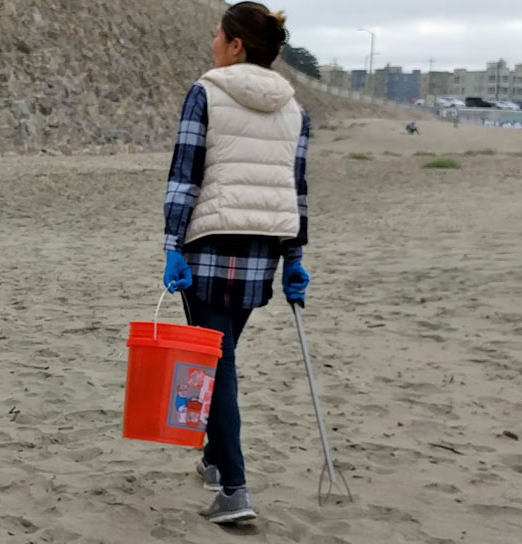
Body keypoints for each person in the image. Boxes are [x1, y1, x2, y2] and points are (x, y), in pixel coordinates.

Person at [160, 1, 309, 525]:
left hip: (210, 245)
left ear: (237, 44)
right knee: (221, 358)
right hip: (262, 253)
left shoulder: (207, 94)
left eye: (217, 35)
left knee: (215, 364)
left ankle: (235, 488)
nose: (212, 43)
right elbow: (297, 191)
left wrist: (171, 245)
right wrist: (293, 258)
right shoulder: (294, 110)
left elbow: (185, 174)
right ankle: (213, 459)